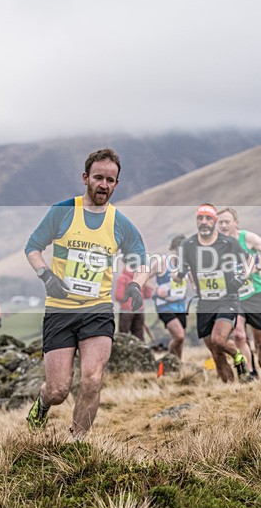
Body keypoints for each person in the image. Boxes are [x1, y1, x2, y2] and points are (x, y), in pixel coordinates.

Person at [24, 148, 151, 438]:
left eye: (110, 179)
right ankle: (42, 405)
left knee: (92, 379)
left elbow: (143, 261)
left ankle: (77, 443)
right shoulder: (63, 212)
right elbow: (32, 247)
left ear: (116, 184)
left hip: (98, 309)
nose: (103, 185)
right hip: (60, 309)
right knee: (58, 390)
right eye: (98, 178)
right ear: (85, 178)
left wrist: (135, 284)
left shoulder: (120, 223)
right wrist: (46, 275)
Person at [174, 204, 248, 383]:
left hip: (227, 299)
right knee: (215, 351)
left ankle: (238, 355)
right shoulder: (188, 245)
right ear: (197, 221)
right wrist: (176, 277)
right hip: (205, 303)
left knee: (218, 340)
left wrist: (241, 279)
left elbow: (248, 261)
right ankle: (230, 389)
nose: (204, 222)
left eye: (208, 218)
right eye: (200, 218)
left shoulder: (228, 243)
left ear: (214, 221)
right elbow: (181, 272)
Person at [216, 207, 261, 377]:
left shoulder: (248, 238)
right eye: (220, 222)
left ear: (235, 223)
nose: (223, 225)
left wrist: (256, 268)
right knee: (239, 335)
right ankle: (251, 373)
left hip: (254, 294)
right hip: (232, 297)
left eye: (226, 222)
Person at [149, 233, 189, 358]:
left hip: (180, 305)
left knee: (180, 340)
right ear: (172, 249)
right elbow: (144, 277)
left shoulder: (186, 263)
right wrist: (156, 289)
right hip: (164, 305)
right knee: (179, 335)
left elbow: (193, 281)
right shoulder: (161, 262)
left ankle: (177, 365)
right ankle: (169, 360)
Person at [114, 265, 153, 340]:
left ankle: (122, 351)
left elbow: (119, 296)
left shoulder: (123, 277)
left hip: (126, 310)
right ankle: (140, 350)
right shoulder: (142, 277)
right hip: (139, 310)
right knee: (138, 335)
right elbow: (148, 295)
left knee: (123, 335)